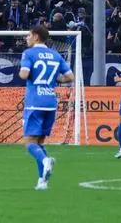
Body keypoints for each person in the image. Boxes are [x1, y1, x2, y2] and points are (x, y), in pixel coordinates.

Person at [18, 24, 73, 190]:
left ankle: (45, 161)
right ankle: (42, 182)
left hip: (35, 102)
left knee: (28, 142)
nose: (26, 38)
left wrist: (22, 72)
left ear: (36, 37)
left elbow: (24, 74)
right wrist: (53, 79)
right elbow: (70, 77)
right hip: (50, 102)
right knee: (40, 143)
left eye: (28, 35)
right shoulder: (55, 55)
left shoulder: (29, 53)